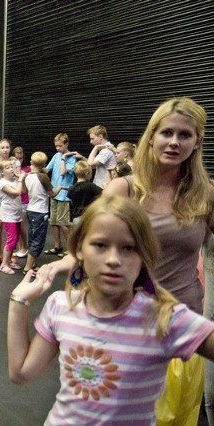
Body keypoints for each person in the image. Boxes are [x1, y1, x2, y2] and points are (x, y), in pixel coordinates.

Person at [39, 97, 214, 425]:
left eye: (185, 135)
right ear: (151, 137)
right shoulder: (125, 189)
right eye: (166, 133)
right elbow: (90, 243)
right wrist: (62, 265)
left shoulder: (205, 195)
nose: (174, 142)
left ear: (197, 142)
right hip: (127, 332)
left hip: (183, 328)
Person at [7, 195, 214, 425]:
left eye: (129, 248)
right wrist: (18, 301)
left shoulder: (163, 319)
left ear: (145, 255)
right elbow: (20, 372)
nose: (114, 259)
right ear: (79, 249)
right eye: (100, 245)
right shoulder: (61, 306)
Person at [22, 151, 64, 274]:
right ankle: (28, 267)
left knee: (32, 236)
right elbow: (52, 194)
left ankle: (31, 263)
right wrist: (60, 187)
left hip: (30, 209)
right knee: (38, 239)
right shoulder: (43, 177)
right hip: (40, 211)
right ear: (44, 164)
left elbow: (24, 191)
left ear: (31, 162)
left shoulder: (27, 176)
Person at [43, 133, 76, 257]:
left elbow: (63, 172)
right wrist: (37, 166)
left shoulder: (72, 158)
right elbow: (47, 169)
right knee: (54, 222)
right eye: (56, 146)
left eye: (60, 146)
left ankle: (71, 248)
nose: (58, 148)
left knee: (63, 223)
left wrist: (64, 158)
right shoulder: (56, 155)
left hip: (64, 195)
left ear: (67, 144)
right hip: (54, 192)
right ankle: (57, 246)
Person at [0, 160, 25, 274]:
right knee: (12, 239)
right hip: (9, 215)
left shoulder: (14, 181)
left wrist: (20, 179)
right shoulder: (2, 183)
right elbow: (16, 193)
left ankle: (9, 260)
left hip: (16, 213)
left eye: (12, 167)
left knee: (16, 238)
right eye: (8, 168)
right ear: (2, 172)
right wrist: (21, 179)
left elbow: (23, 190)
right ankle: (3, 265)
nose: (12, 169)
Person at [67, 160, 102, 225]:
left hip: (76, 218)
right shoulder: (90, 185)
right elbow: (103, 194)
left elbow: (71, 204)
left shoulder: (72, 188)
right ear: (87, 174)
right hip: (88, 217)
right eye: (91, 173)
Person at [12, 146, 30, 258]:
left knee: (22, 226)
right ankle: (20, 248)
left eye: (21, 158)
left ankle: (25, 248)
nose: (19, 161)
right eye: (17, 159)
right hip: (15, 200)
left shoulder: (27, 170)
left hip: (24, 201)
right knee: (17, 226)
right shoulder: (10, 168)